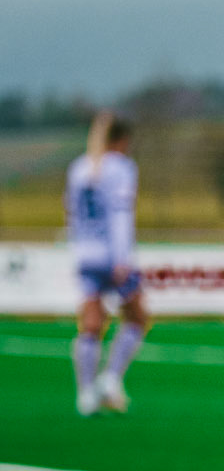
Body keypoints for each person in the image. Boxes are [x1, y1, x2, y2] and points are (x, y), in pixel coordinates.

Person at [65, 111, 150, 415]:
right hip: (112, 255)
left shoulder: (79, 168)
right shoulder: (121, 168)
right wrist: (122, 257)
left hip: (85, 252)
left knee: (90, 323)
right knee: (138, 316)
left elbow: (71, 214)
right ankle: (111, 379)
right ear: (122, 140)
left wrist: (76, 250)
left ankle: (86, 393)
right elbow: (120, 214)